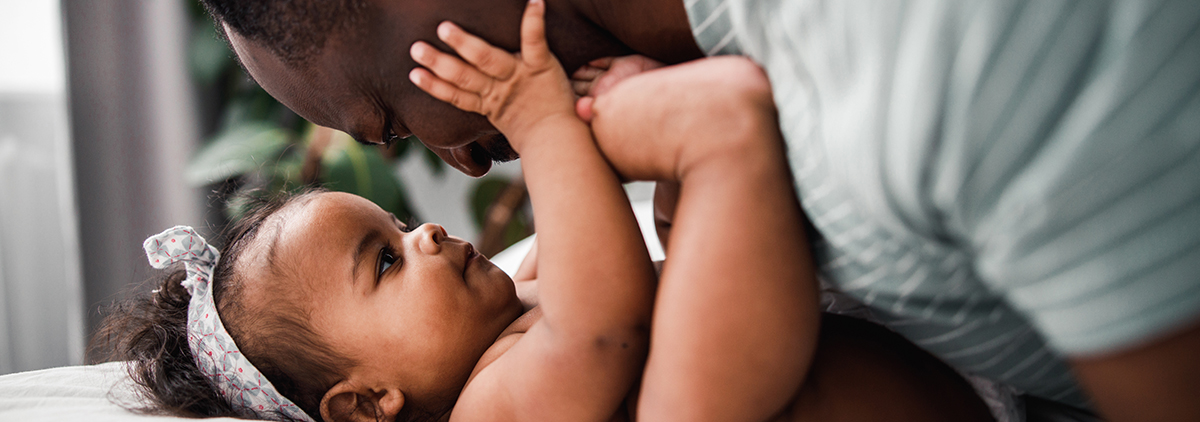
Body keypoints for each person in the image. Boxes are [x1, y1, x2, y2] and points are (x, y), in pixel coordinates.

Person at [207, 0, 1200, 419]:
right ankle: (719, 139)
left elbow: (613, 279)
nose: (453, 172)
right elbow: (607, 324)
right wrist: (549, 125)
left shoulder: (948, 56)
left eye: (390, 111)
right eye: (384, 259)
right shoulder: (492, 400)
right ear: (367, 403)